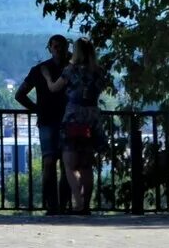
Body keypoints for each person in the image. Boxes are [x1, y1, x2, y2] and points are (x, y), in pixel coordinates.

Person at [15, 34, 72, 214]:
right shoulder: (72, 69)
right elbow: (19, 95)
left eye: (59, 46)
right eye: (56, 46)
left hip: (49, 120)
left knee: (51, 162)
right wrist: (38, 109)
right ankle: (61, 205)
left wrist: (36, 108)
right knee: (64, 163)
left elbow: (20, 94)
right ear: (51, 48)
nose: (58, 49)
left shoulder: (41, 69)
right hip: (65, 120)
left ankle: (53, 206)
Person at [53, 39, 104, 214]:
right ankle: (87, 205)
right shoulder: (98, 71)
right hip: (92, 116)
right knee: (86, 165)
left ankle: (78, 203)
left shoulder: (70, 70)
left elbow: (54, 88)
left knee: (70, 164)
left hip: (74, 115)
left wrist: (46, 77)